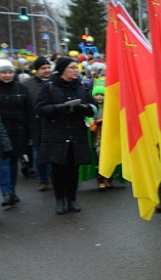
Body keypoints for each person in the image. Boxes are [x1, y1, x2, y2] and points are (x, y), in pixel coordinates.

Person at [34, 57, 97, 214]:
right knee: (58, 170)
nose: (76, 70)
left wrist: (83, 108)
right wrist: (60, 108)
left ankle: (72, 200)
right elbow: (40, 109)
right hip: (56, 135)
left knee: (73, 170)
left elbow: (93, 107)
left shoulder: (81, 86)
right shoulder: (49, 86)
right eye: (72, 67)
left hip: (76, 134)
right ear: (63, 70)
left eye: (77, 67)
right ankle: (60, 200)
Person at [0, 59, 32, 208]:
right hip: (1, 133)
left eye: (9, 72)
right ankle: (6, 191)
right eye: (4, 72)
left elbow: (29, 110)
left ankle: (11, 190)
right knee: (3, 163)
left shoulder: (21, 89)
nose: (7, 75)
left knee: (13, 163)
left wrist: (31, 132)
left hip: (18, 133)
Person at [23, 57, 53, 191]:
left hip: (53, 123)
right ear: (37, 70)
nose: (47, 71)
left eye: (48, 68)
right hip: (36, 124)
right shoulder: (27, 85)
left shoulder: (55, 82)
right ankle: (43, 179)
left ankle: (54, 176)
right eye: (43, 68)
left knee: (55, 153)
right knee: (38, 154)